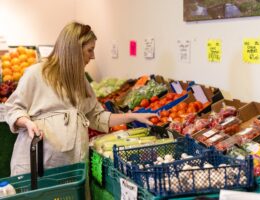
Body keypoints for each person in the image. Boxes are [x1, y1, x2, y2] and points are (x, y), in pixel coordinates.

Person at [5, 22, 156, 176]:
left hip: (71, 165)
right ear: (74, 50)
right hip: (39, 166)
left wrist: (132, 116)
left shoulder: (80, 80)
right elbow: (12, 108)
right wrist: (27, 122)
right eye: (89, 50)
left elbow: (97, 116)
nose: (93, 56)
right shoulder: (36, 74)